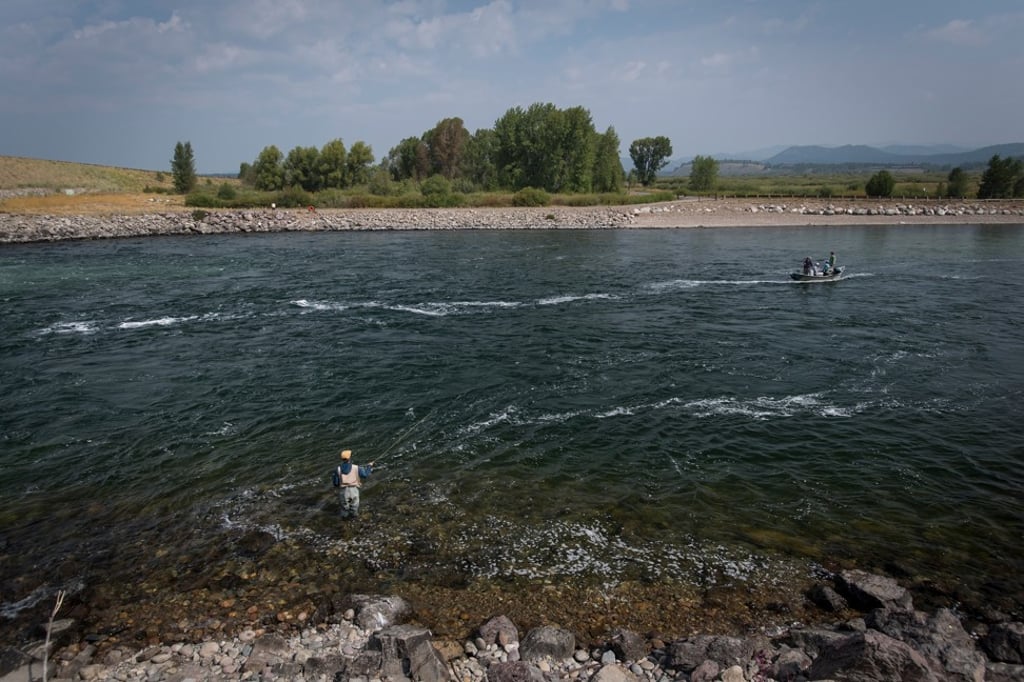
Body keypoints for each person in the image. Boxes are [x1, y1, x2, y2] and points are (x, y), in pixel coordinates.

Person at [332, 449, 374, 518]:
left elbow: (336, 483)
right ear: (350, 458)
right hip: (354, 490)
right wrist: (369, 466)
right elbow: (365, 475)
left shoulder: (337, 469)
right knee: (354, 506)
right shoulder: (357, 468)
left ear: (342, 459)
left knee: (344, 507)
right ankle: (354, 518)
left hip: (343, 491)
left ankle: (344, 520)